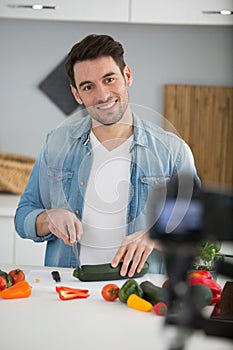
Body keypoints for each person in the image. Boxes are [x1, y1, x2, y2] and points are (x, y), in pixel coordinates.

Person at [14, 34, 199, 276]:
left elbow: (197, 221)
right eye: (88, 86)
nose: (102, 96)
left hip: (139, 296)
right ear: (77, 94)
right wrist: (48, 218)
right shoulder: (55, 143)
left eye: (109, 79)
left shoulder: (172, 151)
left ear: (127, 76)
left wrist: (155, 237)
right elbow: (23, 216)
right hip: (68, 290)